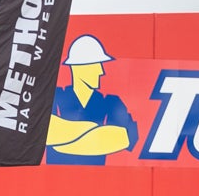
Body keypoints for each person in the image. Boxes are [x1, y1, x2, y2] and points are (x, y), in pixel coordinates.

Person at [45, 35, 139, 165]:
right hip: (56, 180)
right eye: (95, 65)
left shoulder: (111, 102)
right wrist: (95, 129)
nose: (101, 71)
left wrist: (64, 141)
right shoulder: (55, 97)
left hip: (100, 181)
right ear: (77, 68)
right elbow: (44, 131)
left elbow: (126, 137)